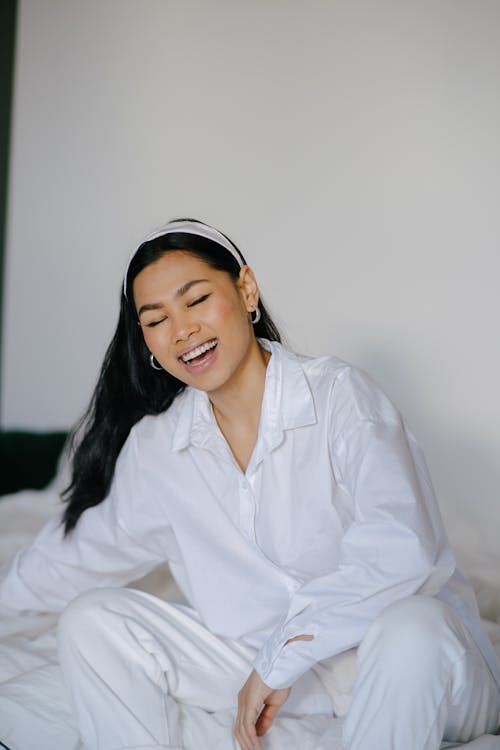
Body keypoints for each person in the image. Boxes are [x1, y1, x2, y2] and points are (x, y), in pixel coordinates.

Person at [0, 218, 499, 750]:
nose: (182, 329)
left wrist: (282, 655)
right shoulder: (157, 447)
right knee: (93, 619)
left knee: (413, 626)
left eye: (196, 300)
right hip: (266, 674)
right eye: (156, 319)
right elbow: (71, 561)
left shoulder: (340, 397)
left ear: (246, 290)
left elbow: (402, 548)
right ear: (145, 340)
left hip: (412, 670)